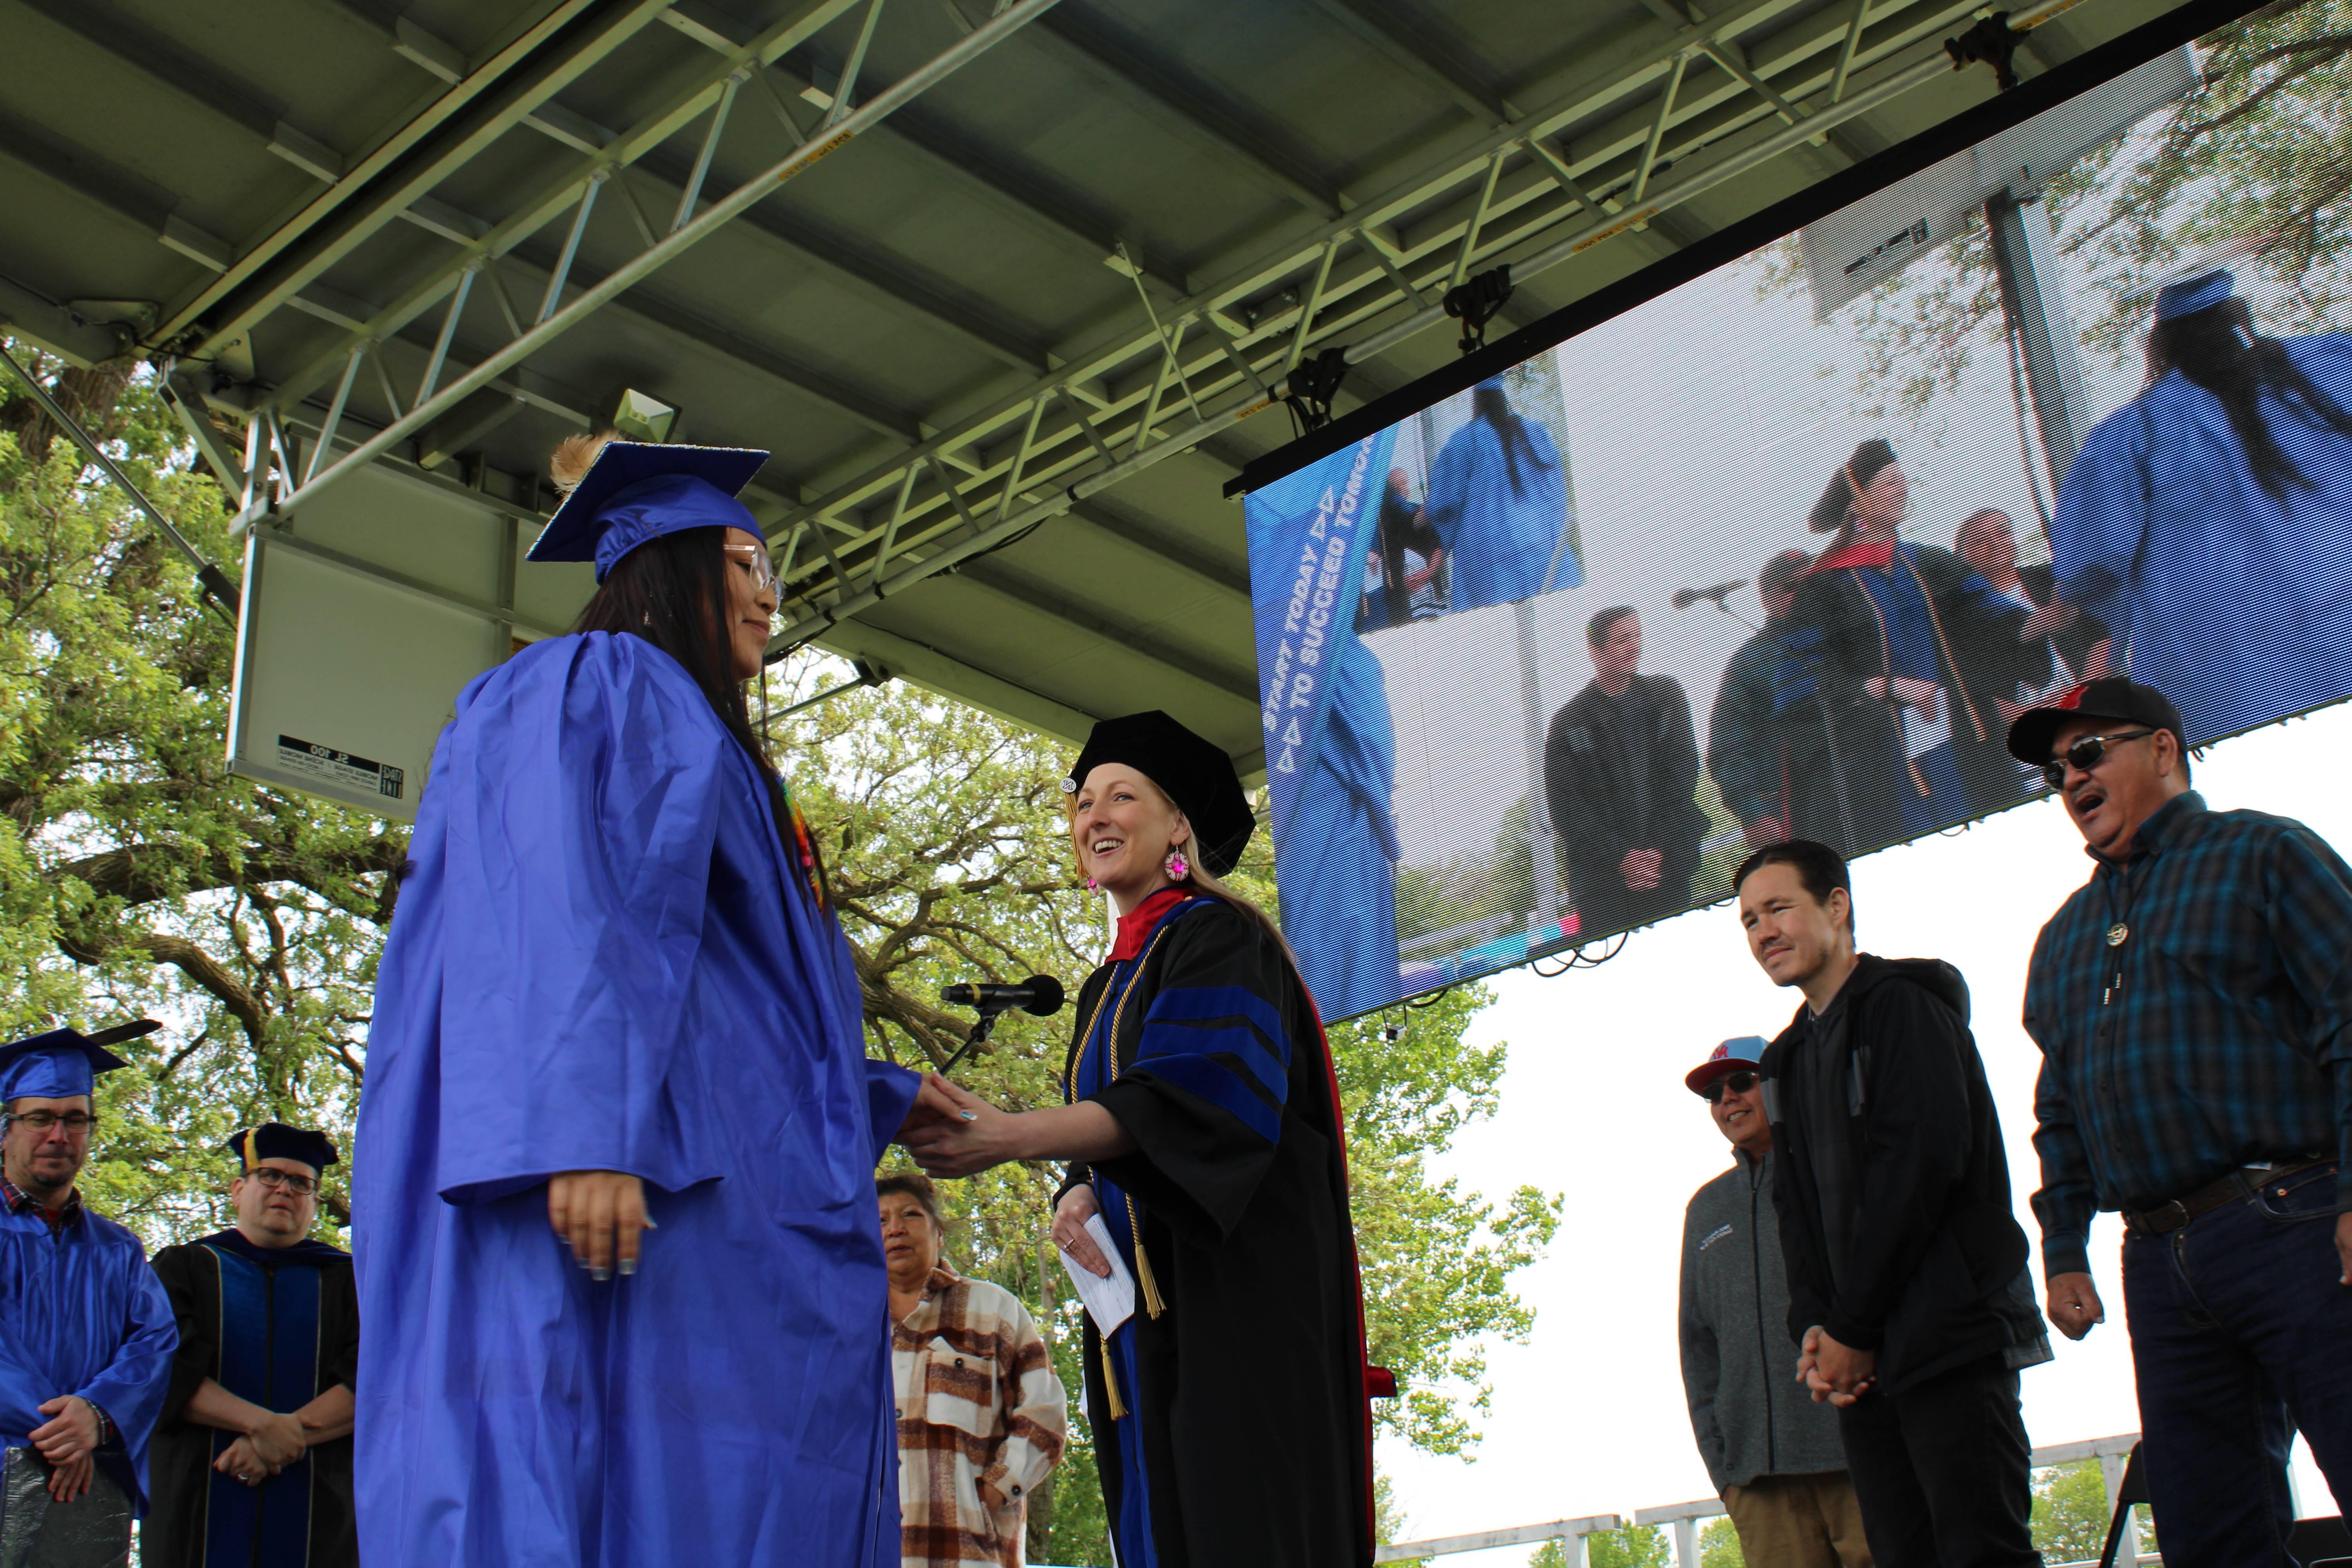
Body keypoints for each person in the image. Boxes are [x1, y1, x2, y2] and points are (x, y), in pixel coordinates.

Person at [354, 435, 949, 1566]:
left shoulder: (713, 744)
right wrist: (581, 1127)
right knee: (587, 1484)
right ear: (673, 564)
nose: (771, 600)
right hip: (611, 1189)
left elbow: (734, 1006)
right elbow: (558, 905)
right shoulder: (596, 684)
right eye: (747, 563)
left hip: (706, 1212)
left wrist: (879, 1094)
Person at [900, 710, 1384, 1568]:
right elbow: (1115, 1127)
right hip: (1144, 1327)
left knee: (1239, 1521)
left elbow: (1191, 1101)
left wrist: (1016, 1137)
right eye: (1084, 801)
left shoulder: (1219, 937)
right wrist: (1079, 1186)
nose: (1094, 815)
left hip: (1235, 1306)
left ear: (1179, 826)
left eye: (1122, 794)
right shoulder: (1106, 986)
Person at [2011, 677, 2352, 1568]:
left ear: (2163, 749)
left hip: (2299, 1218)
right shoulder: (2064, 937)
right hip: (2157, 1261)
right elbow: (2060, 1108)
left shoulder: (2264, 853)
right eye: (2056, 771)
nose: (2070, 779)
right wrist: (2062, 1248)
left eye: (2089, 753)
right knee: (2208, 1535)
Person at [1734, 842, 2050, 1568]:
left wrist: (1853, 1326)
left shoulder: (1907, 1009)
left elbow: (1919, 1172)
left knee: (1982, 1552)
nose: (1764, 933)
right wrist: (1815, 1327)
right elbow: (1797, 1214)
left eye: (1779, 908)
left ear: (1838, 906)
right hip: (1859, 1366)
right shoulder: (1783, 1060)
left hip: (1949, 1339)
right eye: (1750, 921)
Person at [2048, 267, 2352, 747]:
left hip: (2235, 669)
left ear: (2161, 346)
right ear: (2239, 317)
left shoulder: (2130, 436)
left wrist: (2098, 607)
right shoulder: (2330, 365)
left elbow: (2093, 561)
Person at [1679, 1039, 1871, 1568]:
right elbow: (1697, 1348)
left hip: (1859, 1459)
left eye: (1742, 1083)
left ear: (1780, 1088)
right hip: (1758, 1483)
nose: (1727, 1100)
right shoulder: (1706, 1208)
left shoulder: (1842, 1171)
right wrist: (1724, 1471)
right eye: (1714, 1094)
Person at [1782, 441, 2035, 842]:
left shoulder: (1928, 563)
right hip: (1882, 754)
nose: (1902, 489)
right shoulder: (1821, 590)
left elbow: (1994, 618)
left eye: (1902, 480)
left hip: (1958, 736)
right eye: (1889, 482)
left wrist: (2048, 619)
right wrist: (1887, 686)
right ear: (1857, 501)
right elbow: (1801, 680)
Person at [147, 1124, 359, 1568]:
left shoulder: (353, 1284)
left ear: (315, 1202)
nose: (286, 1188)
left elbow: (374, 1378)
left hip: (320, 1514)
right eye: (271, 1175)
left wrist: (276, 1439)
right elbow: (163, 1368)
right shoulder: (183, 1268)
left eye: (303, 1182)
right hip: (198, 1503)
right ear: (238, 1189)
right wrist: (264, 1426)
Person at [0, 1023, 177, 1532]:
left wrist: (98, 1414)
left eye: (76, 1120)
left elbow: (155, 1342)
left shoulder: (118, 1250)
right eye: (40, 1119)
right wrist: (58, 1433)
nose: (59, 1135)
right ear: (6, 1128)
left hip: (84, 1493)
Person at [879, 1172, 1066, 1568]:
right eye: (879, 1220)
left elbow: (1045, 1413)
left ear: (939, 1232)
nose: (895, 1227)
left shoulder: (991, 1309)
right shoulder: (844, 1326)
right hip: (867, 1551)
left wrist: (996, 1490)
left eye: (910, 1214)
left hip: (970, 1554)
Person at [1545, 607, 1710, 936]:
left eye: (1636, 637)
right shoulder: (1568, 723)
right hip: (1604, 882)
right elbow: (1568, 809)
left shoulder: (1666, 695)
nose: (1633, 647)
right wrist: (1622, 856)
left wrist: (1657, 849)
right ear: (1595, 650)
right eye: (1622, 640)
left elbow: (1683, 773)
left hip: (1670, 863)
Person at [1954, 510, 2111, 805]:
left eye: (2002, 533)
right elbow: (1969, 683)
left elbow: (2099, 634)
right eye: (1980, 541)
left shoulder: (2050, 579)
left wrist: (2088, 691)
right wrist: (2029, 719)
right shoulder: (1960, 616)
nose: (1995, 544)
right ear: (1963, 557)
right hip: (2027, 734)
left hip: (2087, 713)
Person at [1417, 376, 1575, 610]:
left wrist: (1427, 513)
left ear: (1476, 400)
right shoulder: (1537, 432)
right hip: (1542, 543)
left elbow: (1444, 502)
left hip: (1488, 550)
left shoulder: (1463, 440)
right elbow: (1559, 492)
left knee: (1496, 626)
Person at [1708, 550, 1813, 851]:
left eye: (1814, 581)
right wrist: (1755, 812)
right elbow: (1726, 748)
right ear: (1769, 597)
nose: (1808, 593)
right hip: (1795, 807)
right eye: (1796, 586)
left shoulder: (1843, 635)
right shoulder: (1750, 662)